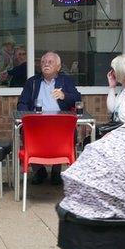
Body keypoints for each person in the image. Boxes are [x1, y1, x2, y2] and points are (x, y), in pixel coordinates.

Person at [17, 51, 82, 185]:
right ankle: (38, 171)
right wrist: (27, 117)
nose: (46, 64)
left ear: (58, 67)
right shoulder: (32, 82)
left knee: (63, 135)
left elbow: (77, 98)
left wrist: (64, 95)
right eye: (43, 62)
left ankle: (56, 172)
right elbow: (22, 103)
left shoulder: (65, 81)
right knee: (26, 132)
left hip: (59, 124)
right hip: (37, 123)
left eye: (50, 62)